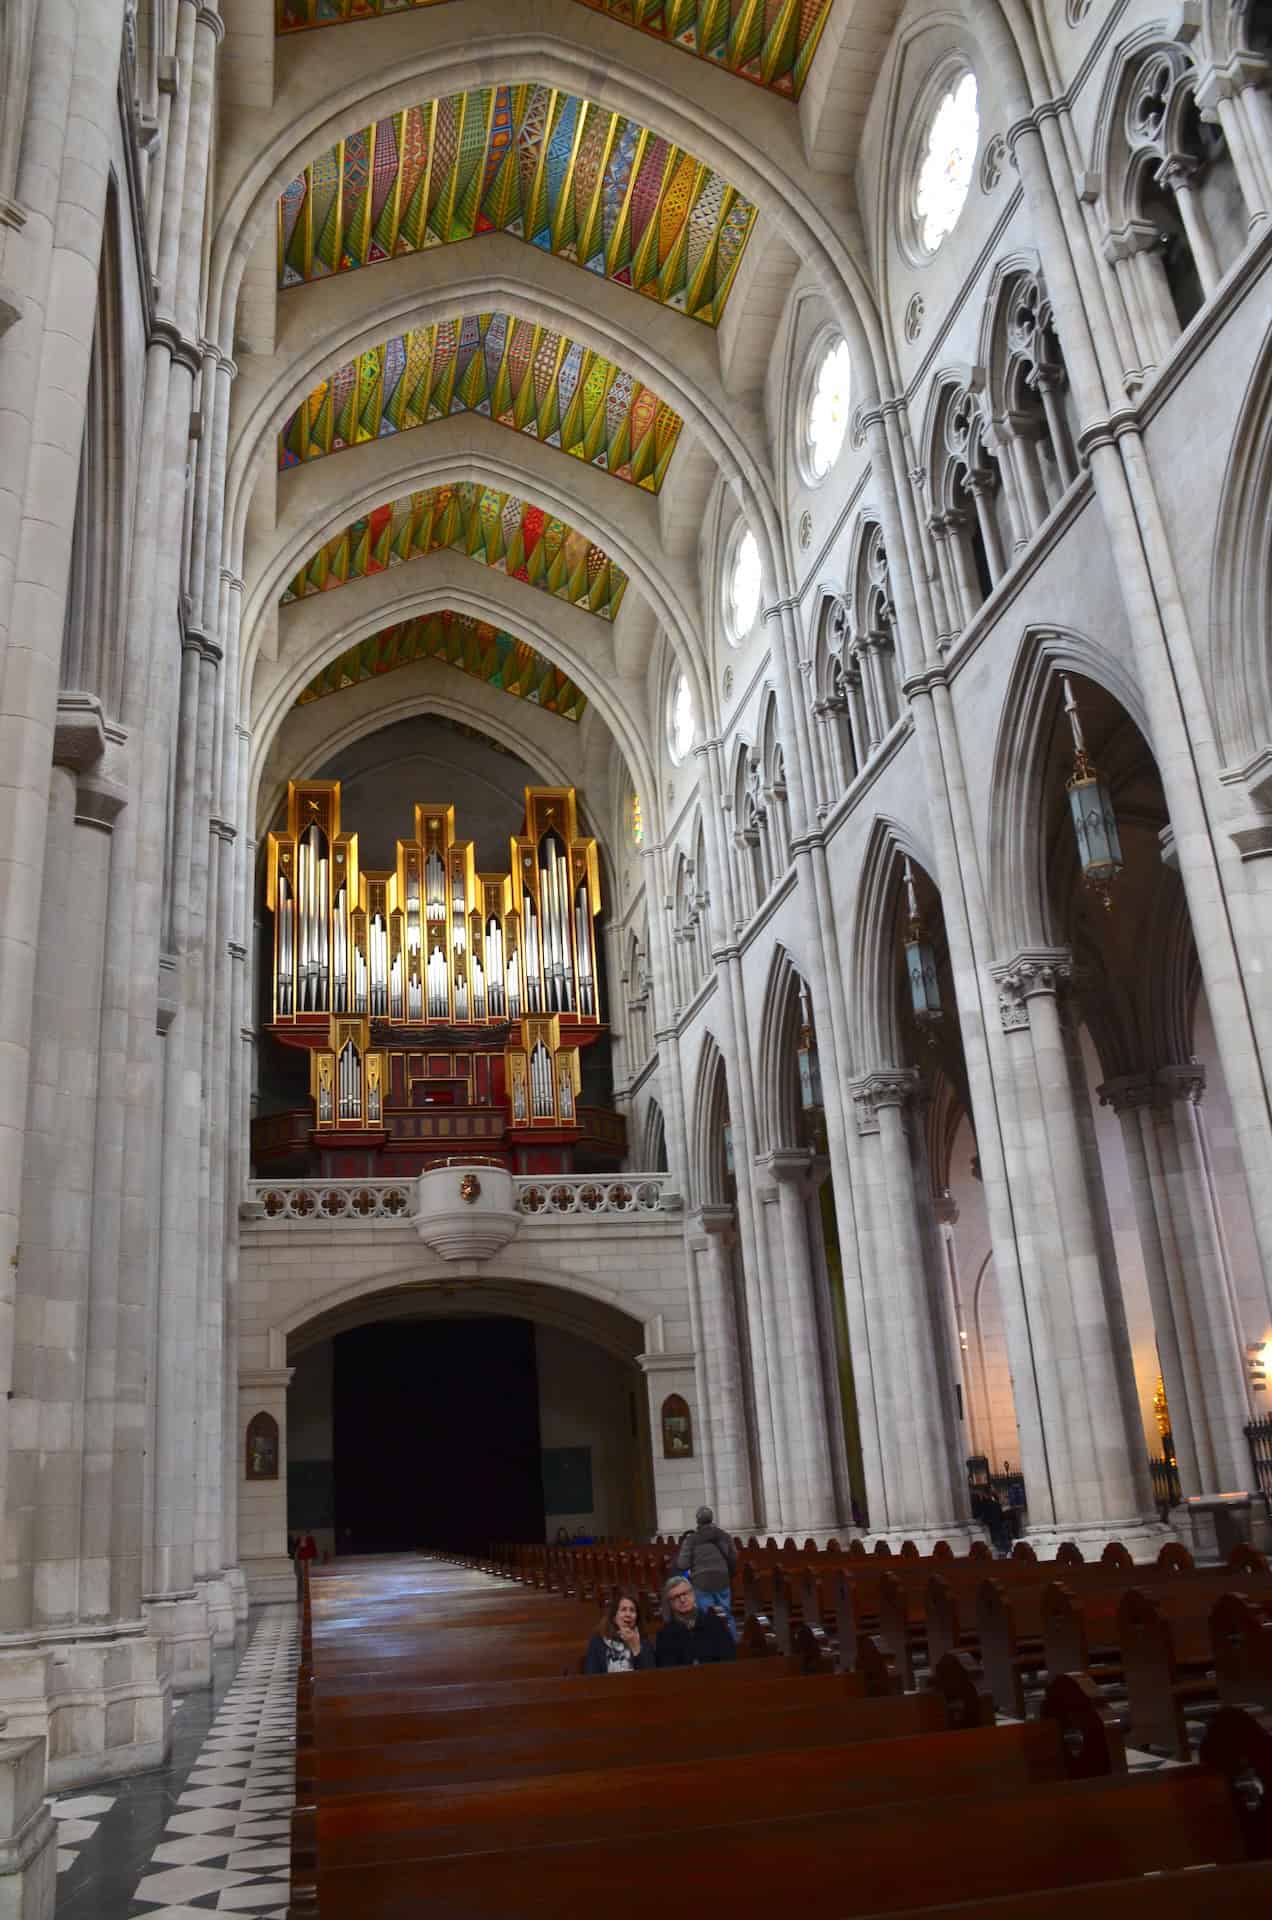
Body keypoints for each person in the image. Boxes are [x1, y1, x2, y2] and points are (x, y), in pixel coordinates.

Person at [675, 1505, 738, 1639]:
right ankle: (732, 1644)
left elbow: (682, 1564)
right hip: (722, 1578)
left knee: (706, 1614)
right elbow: (734, 1556)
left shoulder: (691, 1540)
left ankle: (710, 1646)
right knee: (725, 1612)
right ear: (712, 1518)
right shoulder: (723, 1535)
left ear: (698, 1521)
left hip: (701, 1580)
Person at [655, 1574, 736, 1667]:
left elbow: (729, 1658)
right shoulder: (665, 1634)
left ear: (693, 1594)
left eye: (685, 1593)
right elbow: (666, 1668)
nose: (682, 1599)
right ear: (670, 1603)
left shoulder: (714, 1623)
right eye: (676, 1597)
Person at [583, 1589, 655, 1674]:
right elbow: (591, 1675)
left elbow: (651, 1675)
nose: (628, 1614)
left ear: (637, 1617)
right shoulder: (598, 1641)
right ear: (614, 1617)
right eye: (623, 1610)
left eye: (632, 1610)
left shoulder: (644, 1642)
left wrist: (636, 1647)